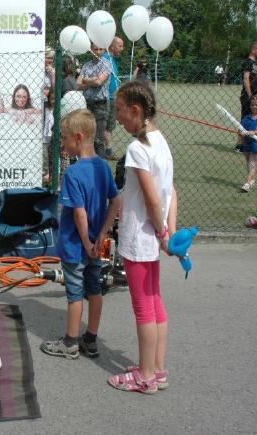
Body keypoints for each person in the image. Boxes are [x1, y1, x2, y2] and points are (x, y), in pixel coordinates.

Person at [109, 80, 177, 395]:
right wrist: (167, 230)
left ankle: (146, 376)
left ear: (136, 111)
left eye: (120, 110)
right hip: (152, 237)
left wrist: (162, 232)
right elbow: (170, 192)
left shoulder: (138, 148)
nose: (117, 117)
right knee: (154, 300)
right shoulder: (161, 142)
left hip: (139, 239)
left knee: (143, 307)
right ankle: (158, 369)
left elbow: (153, 198)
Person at [41, 109, 119, 360]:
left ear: (77, 137)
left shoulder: (73, 174)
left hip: (77, 246)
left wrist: (86, 242)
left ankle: (70, 341)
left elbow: (79, 214)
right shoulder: (103, 168)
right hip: (97, 245)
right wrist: (102, 236)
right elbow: (115, 202)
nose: (62, 144)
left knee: (75, 293)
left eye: (63, 139)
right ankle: (91, 339)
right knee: (94, 288)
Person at [76, 43, 111, 157]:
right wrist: (91, 81)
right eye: (95, 49)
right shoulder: (86, 65)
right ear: (91, 49)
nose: (98, 52)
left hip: (100, 104)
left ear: (104, 50)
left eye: (101, 49)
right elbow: (78, 84)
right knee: (86, 136)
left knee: (98, 139)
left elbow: (99, 82)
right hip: (86, 103)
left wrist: (85, 80)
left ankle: (99, 166)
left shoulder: (106, 64)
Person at [103, 37, 124, 160]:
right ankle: (108, 151)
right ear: (112, 46)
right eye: (120, 46)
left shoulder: (113, 60)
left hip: (113, 97)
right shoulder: (106, 59)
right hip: (107, 97)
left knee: (109, 126)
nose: (122, 48)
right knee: (107, 126)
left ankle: (107, 150)